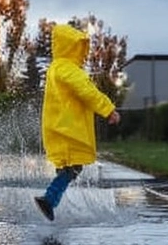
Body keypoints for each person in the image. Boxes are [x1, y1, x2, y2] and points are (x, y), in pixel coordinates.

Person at [35, 23, 121, 221]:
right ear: (70, 46)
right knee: (72, 168)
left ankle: (50, 200)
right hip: (69, 128)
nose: (83, 52)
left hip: (60, 126)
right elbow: (86, 91)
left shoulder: (56, 68)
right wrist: (108, 109)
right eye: (79, 47)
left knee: (69, 168)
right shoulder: (67, 69)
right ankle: (48, 200)